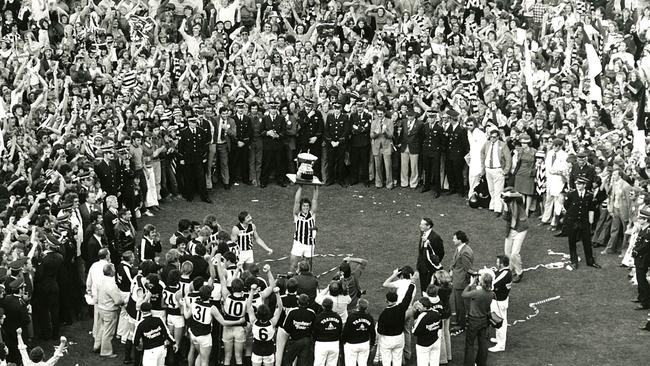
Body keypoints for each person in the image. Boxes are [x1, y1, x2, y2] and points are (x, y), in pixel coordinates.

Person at [377, 272, 417, 366]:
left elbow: (380, 330)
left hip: (387, 341)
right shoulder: (401, 308)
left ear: (386, 301)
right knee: (397, 360)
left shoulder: (384, 314)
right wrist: (412, 283)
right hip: (399, 339)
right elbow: (408, 297)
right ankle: (406, 356)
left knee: (386, 360)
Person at [563, 176, 601, 270]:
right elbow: (566, 206)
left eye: (580, 184)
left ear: (584, 185)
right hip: (572, 220)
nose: (578, 186)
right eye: (577, 184)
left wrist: (590, 222)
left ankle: (590, 261)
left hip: (584, 222)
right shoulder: (571, 194)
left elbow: (591, 208)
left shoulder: (589, 195)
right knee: (572, 241)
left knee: (587, 242)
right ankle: (574, 261)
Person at [462, 272, 495, 366]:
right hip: (483, 320)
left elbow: (464, 295)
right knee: (483, 343)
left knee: (470, 344)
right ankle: (481, 363)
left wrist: (470, 284)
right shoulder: (491, 294)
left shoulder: (477, 293)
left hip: (473, 320)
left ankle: (468, 364)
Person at [245, 284, 283, 366]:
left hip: (257, 350)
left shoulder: (254, 322)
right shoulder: (272, 323)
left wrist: (252, 291)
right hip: (269, 350)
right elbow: (280, 308)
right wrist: (277, 294)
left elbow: (248, 306)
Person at [178, 117, 212, 203]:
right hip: (188, 158)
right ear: (188, 123)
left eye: (194, 122)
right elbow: (180, 147)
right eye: (191, 122)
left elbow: (204, 145)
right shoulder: (183, 132)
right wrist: (181, 158)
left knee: (201, 177)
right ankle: (189, 195)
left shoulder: (201, 131)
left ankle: (204, 196)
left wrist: (204, 157)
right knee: (189, 177)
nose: (193, 124)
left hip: (198, 158)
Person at [95, 263, 125, 358]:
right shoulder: (111, 284)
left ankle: (97, 345)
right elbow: (118, 300)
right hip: (109, 310)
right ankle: (106, 351)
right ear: (111, 271)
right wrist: (124, 301)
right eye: (114, 269)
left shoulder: (100, 280)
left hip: (101, 307)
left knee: (102, 328)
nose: (115, 271)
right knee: (108, 332)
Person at [480, 128, 512, 217]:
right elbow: (482, 153)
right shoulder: (487, 143)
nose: (492, 139)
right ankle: (493, 205)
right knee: (491, 189)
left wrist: (505, 170)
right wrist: (483, 165)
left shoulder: (503, 145)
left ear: (498, 137)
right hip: (488, 169)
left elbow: (508, 158)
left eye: (494, 137)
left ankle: (498, 209)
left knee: (498, 190)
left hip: (498, 169)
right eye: (491, 137)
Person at [133, 302, 174, 366]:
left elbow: (135, 340)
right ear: (150, 310)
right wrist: (173, 342)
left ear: (141, 311)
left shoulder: (140, 324)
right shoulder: (159, 319)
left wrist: (138, 346)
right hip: (161, 349)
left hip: (149, 351)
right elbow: (167, 334)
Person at [501, 188, 528, 283]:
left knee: (514, 253)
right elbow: (505, 217)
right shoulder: (506, 204)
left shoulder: (518, 201)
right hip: (511, 230)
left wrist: (507, 193)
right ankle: (509, 270)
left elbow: (518, 195)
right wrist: (505, 206)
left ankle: (519, 273)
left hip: (520, 229)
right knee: (507, 252)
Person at [282, 294, 315, 366]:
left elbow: (286, 327)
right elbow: (314, 328)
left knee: (287, 361)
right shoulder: (311, 313)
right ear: (308, 303)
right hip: (306, 341)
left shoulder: (292, 312)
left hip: (294, 340)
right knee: (303, 363)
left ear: (298, 302)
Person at [450, 231, 474, 332]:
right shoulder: (460, 248)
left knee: (461, 304)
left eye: (454, 238)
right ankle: (460, 320)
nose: (453, 240)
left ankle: (462, 324)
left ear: (460, 240)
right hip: (457, 279)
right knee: (458, 302)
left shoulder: (465, 252)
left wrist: (465, 282)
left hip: (461, 282)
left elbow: (467, 269)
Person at [290, 185, 319, 270]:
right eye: (304, 206)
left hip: (310, 244)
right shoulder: (297, 215)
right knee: (293, 264)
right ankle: (291, 280)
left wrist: (316, 187)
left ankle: (307, 281)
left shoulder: (312, 214)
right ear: (301, 207)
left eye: (307, 206)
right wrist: (300, 187)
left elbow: (314, 199)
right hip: (298, 243)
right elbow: (296, 201)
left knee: (308, 266)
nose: (305, 207)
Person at [341, 298, 375, 366]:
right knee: (363, 364)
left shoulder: (351, 317)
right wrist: (372, 343)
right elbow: (372, 332)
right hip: (364, 344)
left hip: (351, 344)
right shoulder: (369, 317)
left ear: (357, 305)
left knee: (350, 364)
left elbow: (346, 331)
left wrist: (343, 341)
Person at [489, 255, 512, 353]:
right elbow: (499, 276)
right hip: (501, 300)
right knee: (498, 320)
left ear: (502, 264)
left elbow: (493, 284)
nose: (496, 263)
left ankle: (501, 345)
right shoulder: (506, 272)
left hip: (499, 301)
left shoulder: (505, 274)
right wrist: (495, 271)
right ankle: (499, 340)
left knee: (500, 322)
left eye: (498, 262)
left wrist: (489, 273)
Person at [412, 296, 442, 366]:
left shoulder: (422, 315)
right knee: (435, 363)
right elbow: (440, 326)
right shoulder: (436, 312)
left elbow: (414, 332)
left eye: (419, 305)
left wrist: (414, 324)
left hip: (423, 344)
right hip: (435, 341)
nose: (418, 307)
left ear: (424, 306)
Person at [416, 218, 444, 294]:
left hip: (429, 269)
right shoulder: (423, 232)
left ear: (428, 226)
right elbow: (421, 252)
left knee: (430, 289)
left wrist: (433, 265)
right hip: (422, 267)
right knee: (423, 289)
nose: (420, 225)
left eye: (422, 224)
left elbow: (441, 253)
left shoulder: (436, 237)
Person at [312, 297, 343, 366]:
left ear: (323, 306)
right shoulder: (337, 317)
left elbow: (314, 331)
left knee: (319, 364)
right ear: (332, 306)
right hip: (334, 343)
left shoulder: (319, 317)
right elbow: (340, 330)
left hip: (321, 344)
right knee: (332, 364)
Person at [511, 135, 537, 213]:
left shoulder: (534, 151)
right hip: (520, 172)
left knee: (528, 192)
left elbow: (537, 162)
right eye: (522, 143)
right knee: (520, 192)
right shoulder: (520, 151)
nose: (523, 145)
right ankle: (521, 209)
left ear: (528, 143)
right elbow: (517, 162)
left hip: (529, 172)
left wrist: (534, 172)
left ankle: (527, 210)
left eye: (525, 143)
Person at [371, 107, 395, 190]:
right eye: (378, 114)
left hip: (386, 146)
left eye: (381, 114)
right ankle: (378, 183)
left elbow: (391, 135)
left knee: (388, 166)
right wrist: (375, 133)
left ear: (384, 113)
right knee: (377, 166)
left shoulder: (390, 122)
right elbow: (371, 136)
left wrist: (385, 132)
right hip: (377, 147)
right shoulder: (374, 122)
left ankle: (389, 184)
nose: (379, 115)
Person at [398, 110, 423, 189]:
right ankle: (404, 182)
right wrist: (400, 142)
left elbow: (421, 137)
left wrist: (418, 145)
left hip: (414, 147)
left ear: (414, 116)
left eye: (411, 116)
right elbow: (401, 134)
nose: (410, 117)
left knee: (414, 167)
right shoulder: (404, 122)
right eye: (408, 116)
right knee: (404, 166)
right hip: (404, 146)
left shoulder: (419, 124)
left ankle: (413, 183)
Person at [632, 208, 650, 310]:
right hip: (639, 258)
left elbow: (645, 246)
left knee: (642, 280)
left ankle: (645, 302)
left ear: (646, 220)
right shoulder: (644, 229)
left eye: (640, 218)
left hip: (643, 259)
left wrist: (636, 251)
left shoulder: (648, 231)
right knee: (640, 279)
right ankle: (641, 297)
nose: (638, 220)